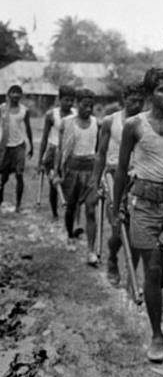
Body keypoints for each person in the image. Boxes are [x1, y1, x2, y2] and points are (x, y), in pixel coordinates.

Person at [112, 68, 163, 363]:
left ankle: (152, 297)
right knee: (152, 270)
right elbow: (122, 168)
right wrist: (116, 207)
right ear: (150, 95)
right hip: (143, 205)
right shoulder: (134, 125)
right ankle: (157, 335)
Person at [90, 82, 146, 285]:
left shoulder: (146, 123)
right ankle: (112, 257)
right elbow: (100, 154)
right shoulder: (109, 121)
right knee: (118, 229)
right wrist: (95, 183)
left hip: (137, 179)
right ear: (124, 99)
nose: (137, 104)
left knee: (137, 231)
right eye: (133, 100)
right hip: (114, 178)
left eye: (141, 101)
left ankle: (132, 275)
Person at [55, 88, 99, 266]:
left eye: (91, 106)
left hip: (90, 171)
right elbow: (61, 148)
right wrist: (57, 169)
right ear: (77, 104)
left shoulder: (97, 123)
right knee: (71, 207)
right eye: (84, 105)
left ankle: (90, 250)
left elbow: (99, 151)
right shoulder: (67, 123)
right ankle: (70, 235)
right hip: (72, 169)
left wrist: (99, 173)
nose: (88, 109)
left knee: (90, 210)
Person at [37, 85, 76, 219]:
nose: (69, 103)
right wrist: (40, 161)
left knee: (69, 184)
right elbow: (44, 138)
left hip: (70, 153)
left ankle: (69, 211)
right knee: (54, 184)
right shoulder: (51, 115)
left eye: (72, 100)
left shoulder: (76, 114)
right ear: (60, 99)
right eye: (66, 100)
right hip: (53, 152)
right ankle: (54, 213)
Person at [0, 85, 34, 213]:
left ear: (21, 95)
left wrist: (31, 145)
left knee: (19, 174)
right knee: (3, 177)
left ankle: (18, 205)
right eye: (13, 92)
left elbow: (28, 128)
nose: (15, 95)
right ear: (8, 94)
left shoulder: (24, 110)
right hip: (4, 146)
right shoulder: (2, 109)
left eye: (18, 93)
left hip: (19, 146)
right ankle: (1, 200)